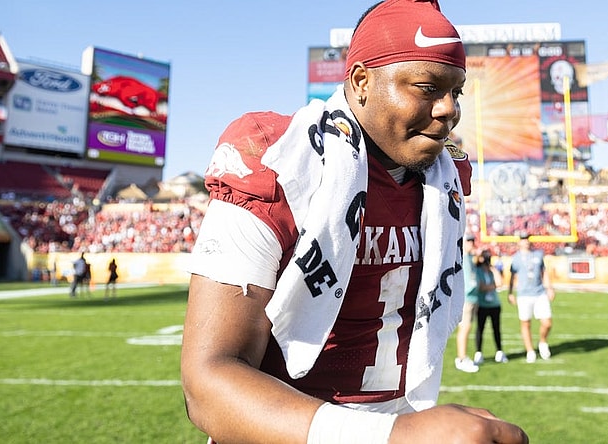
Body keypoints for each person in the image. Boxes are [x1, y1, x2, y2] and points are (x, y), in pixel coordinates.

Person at [180, 1, 528, 443]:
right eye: (427, 87)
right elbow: (207, 383)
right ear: (361, 81)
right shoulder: (277, 160)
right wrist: (391, 437)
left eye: (456, 92)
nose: (448, 109)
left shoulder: (446, 177)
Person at [507, 232, 555, 363]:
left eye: (527, 239)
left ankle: (543, 342)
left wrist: (549, 288)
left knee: (547, 322)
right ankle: (530, 350)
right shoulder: (516, 258)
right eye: (523, 239)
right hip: (524, 294)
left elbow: (543, 272)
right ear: (519, 242)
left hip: (539, 292)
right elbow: (512, 277)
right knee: (525, 323)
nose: (525, 241)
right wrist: (510, 293)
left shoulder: (538, 254)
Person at [474, 248, 508, 364]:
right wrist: (493, 286)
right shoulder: (477, 270)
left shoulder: (492, 271)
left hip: (494, 304)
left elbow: (500, 283)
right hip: (482, 304)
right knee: (480, 329)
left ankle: (499, 352)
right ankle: (478, 353)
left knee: (496, 329)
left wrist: (493, 270)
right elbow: (481, 287)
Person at [454, 234, 480, 372]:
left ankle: (463, 356)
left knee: (468, 327)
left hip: (472, 297)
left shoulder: (470, 257)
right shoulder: (462, 257)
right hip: (466, 297)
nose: (471, 244)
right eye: (468, 241)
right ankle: (461, 357)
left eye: (472, 241)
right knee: (465, 327)